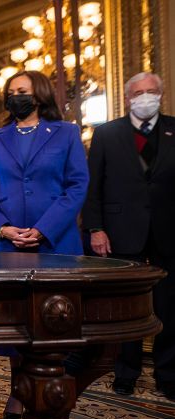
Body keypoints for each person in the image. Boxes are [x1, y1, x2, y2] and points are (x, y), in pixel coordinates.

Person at [0, 70, 89, 419]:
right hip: (7, 245)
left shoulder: (67, 133)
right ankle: (18, 391)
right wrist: (3, 228)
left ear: (38, 94)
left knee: (54, 318)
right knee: (15, 322)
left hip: (55, 244)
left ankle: (53, 388)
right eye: (10, 92)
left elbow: (77, 186)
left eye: (21, 91)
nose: (15, 97)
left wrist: (43, 229)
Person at [82, 72, 175, 401]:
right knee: (127, 308)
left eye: (152, 91)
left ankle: (168, 374)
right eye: (139, 92)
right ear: (127, 98)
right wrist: (95, 227)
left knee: (169, 306)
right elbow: (93, 186)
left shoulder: (173, 128)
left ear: (161, 95)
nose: (146, 97)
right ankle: (126, 372)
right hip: (121, 231)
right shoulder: (107, 133)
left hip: (168, 231)